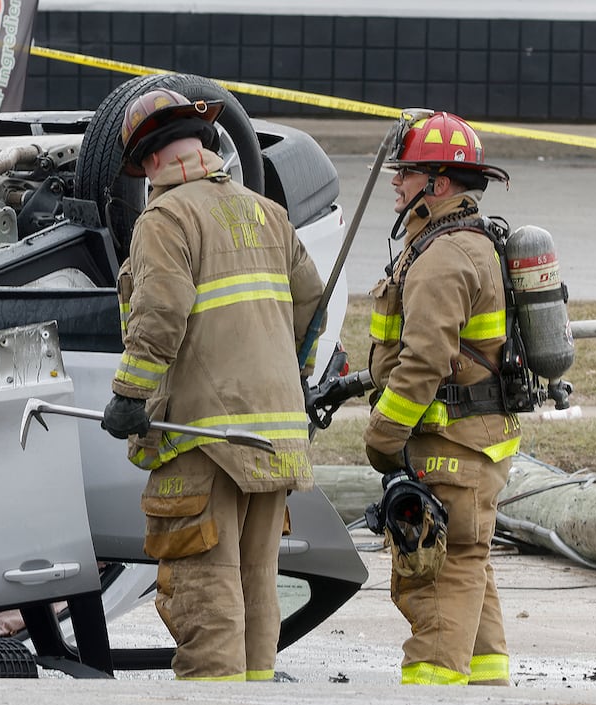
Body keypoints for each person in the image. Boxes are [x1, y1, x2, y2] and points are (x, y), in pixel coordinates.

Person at [100, 87, 324, 681]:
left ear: (148, 161)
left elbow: (159, 316)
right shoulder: (266, 211)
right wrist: (289, 377)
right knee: (256, 587)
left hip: (202, 435)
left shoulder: (166, 218)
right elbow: (313, 307)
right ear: (204, 146)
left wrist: (127, 395)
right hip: (274, 439)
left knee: (204, 587)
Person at [360, 110, 518, 686]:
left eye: (406, 174)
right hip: (475, 443)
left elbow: (424, 361)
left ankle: (433, 687)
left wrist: (383, 434)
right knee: (468, 565)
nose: (396, 185)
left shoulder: (443, 257)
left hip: (450, 443)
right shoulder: (461, 245)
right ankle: (486, 679)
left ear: (439, 185)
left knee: (437, 575)